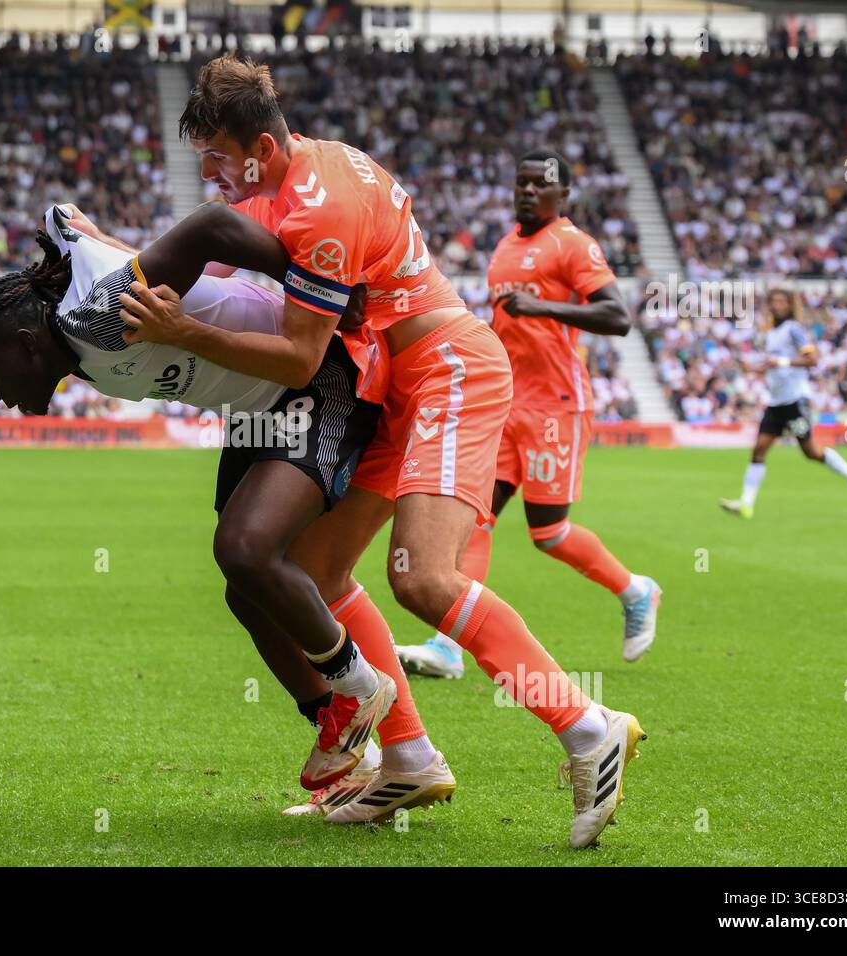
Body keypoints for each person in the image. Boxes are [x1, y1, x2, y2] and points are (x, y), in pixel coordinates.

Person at [118, 55, 647, 845]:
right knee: (316, 576)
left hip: (446, 371)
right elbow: (222, 253)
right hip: (392, 386)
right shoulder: (304, 174)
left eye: (220, 160)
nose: (213, 178)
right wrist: (109, 257)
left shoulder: (319, 207)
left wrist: (180, 332)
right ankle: (408, 757)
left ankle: (586, 727)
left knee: (424, 579)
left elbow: (299, 358)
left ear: (261, 147)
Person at [0, 202, 454, 819]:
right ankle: (346, 741)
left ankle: (357, 690)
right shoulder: (74, 326)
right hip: (253, 405)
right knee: (247, 590)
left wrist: (321, 289)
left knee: (245, 550)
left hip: (315, 374)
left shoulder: (97, 317)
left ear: (27, 345)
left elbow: (215, 227)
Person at [399, 149, 661, 678]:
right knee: (475, 517)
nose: (526, 192)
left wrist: (542, 306)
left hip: (555, 407)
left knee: (550, 534)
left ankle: (636, 591)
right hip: (507, 405)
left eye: (538, 185)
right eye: (520, 183)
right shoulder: (504, 248)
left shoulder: (572, 243)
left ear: (562, 196)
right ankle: (448, 649)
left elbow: (617, 316)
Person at [720, 289, 847, 518]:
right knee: (759, 449)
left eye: (781, 302)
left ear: (790, 306)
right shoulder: (771, 333)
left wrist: (781, 361)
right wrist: (753, 369)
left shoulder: (794, 330)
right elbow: (773, 365)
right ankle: (746, 504)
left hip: (794, 401)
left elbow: (813, 359)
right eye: (773, 302)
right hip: (776, 403)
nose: (777, 306)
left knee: (810, 451)